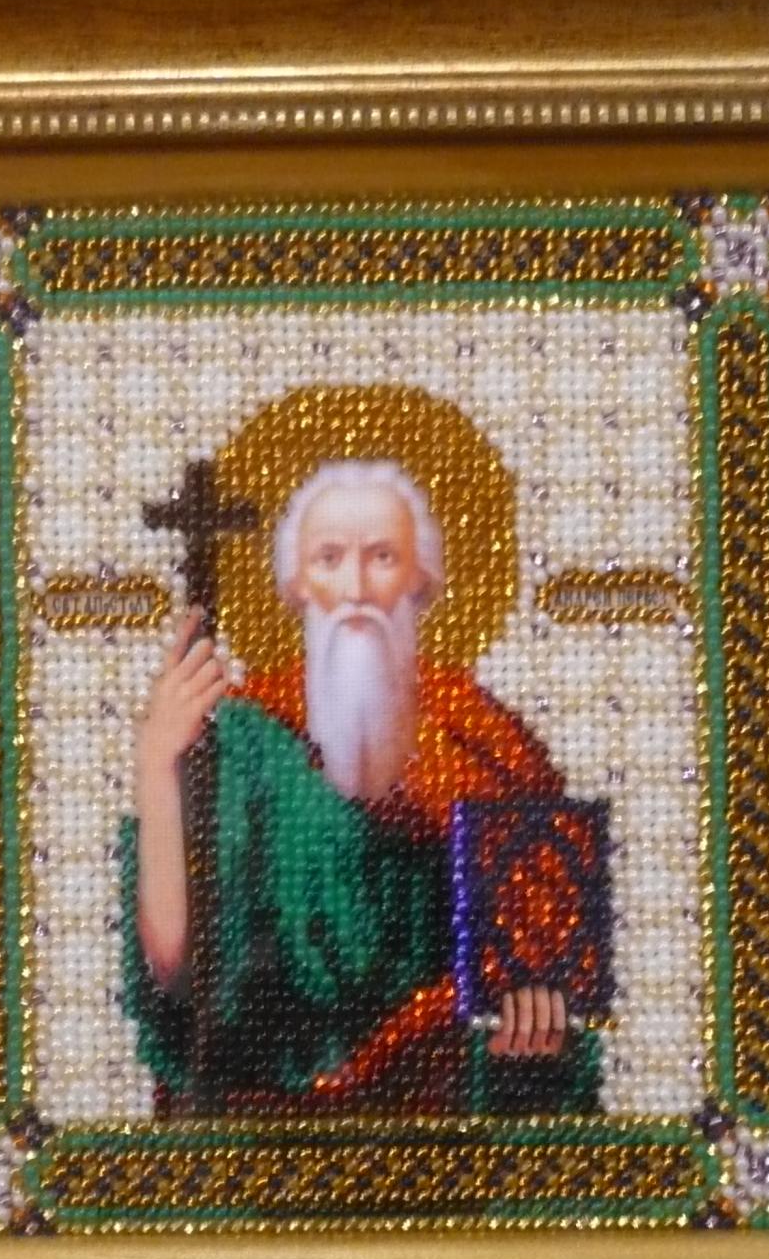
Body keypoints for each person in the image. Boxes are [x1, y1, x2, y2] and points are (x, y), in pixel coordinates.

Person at [121, 459, 606, 1115]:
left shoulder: (483, 738)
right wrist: (157, 764)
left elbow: (548, 950)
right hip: (267, 1116)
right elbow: (174, 967)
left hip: (445, 1107)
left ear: (421, 580)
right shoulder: (242, 737)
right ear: (297, 584)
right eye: (329, 559)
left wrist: (533, 1007)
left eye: (382, 557)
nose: (355, 588)